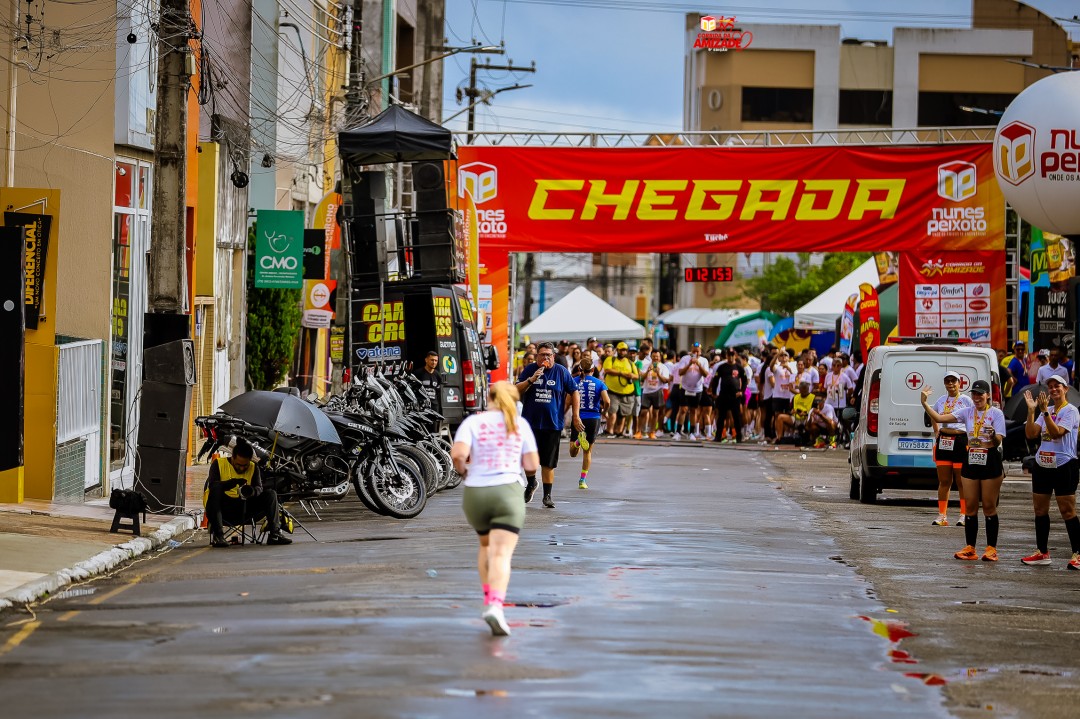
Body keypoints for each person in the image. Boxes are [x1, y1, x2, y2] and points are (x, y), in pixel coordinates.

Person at [452, 382, 540, 636]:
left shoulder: (472, 422)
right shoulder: (519, 424)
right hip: (507, 492)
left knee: (485, 547)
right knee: (501, 554)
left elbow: (457, 455)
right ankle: (495, 606)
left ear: (488, 398)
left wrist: (465, 472)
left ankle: (487, 597)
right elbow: (532, 464)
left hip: (475, 494)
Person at [921, 380, 1006, 562]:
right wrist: (924, 403)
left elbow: (999, 440)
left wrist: (992, 435)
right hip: (971, 459)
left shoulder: (996, 413)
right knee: (971, 506)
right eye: (974, 394)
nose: (977, 397)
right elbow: (940, 419)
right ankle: (970, 548)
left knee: (989, 506)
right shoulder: (967, 412)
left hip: (990, 459)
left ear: (988, 395)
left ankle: (991, 549)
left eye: (980, 394)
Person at [1020, 378, 1080, 569]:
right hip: (1042, 464)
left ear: (1065, 389)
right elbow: (1031, 434)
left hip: (1064, 464)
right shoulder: (1048, 410)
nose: (1053, 389)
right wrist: (1032, 411)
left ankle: (1078, 553)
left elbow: (1056, 433)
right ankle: (1042, 552)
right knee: (1040, 510)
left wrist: (1045, 412)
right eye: (1051, 387)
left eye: (1057, 386)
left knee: (1067, 510)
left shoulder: (1070, 411)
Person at [516, 342, 583, 508]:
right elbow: (515, 390)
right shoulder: (530, 369)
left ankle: (547, 496)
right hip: (530, 424)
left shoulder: (561, 371)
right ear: (537, 356)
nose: (545, 357)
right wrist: (531, 380)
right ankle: (531, 483)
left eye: (549, 355)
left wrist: (575, 415)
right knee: (529, 460)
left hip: (552, 424)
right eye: (542, 355)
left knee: (548, 462)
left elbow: (574, 391)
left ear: (553, 356)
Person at [204, 440, 292, 547]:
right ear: (232, 457)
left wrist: (252, 491)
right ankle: (219, 536)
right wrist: (231, 483)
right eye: (238, 465)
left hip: (245, 508)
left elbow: (259, 488)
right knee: (216, 489)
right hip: (223, 509)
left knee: (271, 494)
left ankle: (275, 534)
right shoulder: (218, 464)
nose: (241, 468)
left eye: (245, 465)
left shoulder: (253, 467)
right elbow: (213, 485)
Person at [929, 371, 974, 527]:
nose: (950, 384)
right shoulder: (941, 400)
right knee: (944, 481)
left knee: (961, 481)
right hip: (944, 440)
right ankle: (942, 515)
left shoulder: (966, 400)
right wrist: (936, 431)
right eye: (947, 381)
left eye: (953, 381)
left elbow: (974, 416)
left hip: (960, 440)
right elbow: (933, 415)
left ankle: (963, 514)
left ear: (959, 383)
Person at [571, 356, 609, 489]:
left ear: (579, 369)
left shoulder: (574, 381)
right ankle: (582, 480)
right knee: (587, 452)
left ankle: (577, 442)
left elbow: (567, 401)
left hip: (578, 417)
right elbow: (607, 401)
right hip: (594, 417)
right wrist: (604, 411)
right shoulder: (599, 383)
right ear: (593, 369)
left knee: (573, 453)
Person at [674, 342, 710, 440]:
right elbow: (680, 372)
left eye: (697, 351)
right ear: (691, 351)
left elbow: (706, 374)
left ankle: (692, 432)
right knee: (683, 409)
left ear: (700, 352)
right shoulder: (685, 359)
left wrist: (698, 365)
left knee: (693, 410)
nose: (695, 353)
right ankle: (678, 431)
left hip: (697, 389)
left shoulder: (704, 361)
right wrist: (689, 363)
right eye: (694, 351)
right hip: (685, 387)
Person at [602, 341, 638, 437]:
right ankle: (610, 430)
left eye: (624, 350)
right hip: (612, 390)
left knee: (623, 413)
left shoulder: (630, 363)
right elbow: (607, 370)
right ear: (617, 350)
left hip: (627, 392)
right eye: (621, 350)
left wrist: (631, 375)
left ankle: (619, 431)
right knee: (612, 411)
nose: (622, 352)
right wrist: (621, 373)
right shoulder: (610, 359)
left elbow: (636, 376)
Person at [711, 349, 745, 444]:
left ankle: (739, 437)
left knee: (736, 417)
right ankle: (718, 436)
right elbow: (716, 380)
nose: (730, 357)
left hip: (735, 395)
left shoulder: (739, 367)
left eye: (732, 355)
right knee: (721, 417)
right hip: (724, 395)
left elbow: (744, 380)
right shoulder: (722, 367)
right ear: (726, 356)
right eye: (729, 355)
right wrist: (714, 392)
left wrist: (742, 391)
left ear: (735, 356)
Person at [638, 348, 669, 439]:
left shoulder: (663, 367)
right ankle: (639, 431)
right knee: (643, 412)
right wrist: (648, 371)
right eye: (654, 356)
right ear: (651, 357)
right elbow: (641, 378)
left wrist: (658, 373)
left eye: (657, 356)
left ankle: (652, 432)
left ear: (660, 357)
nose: (655, 358)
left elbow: (665, 381)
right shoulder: (646, 365)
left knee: (655, 413)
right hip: (646, 391)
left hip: (657, 391)